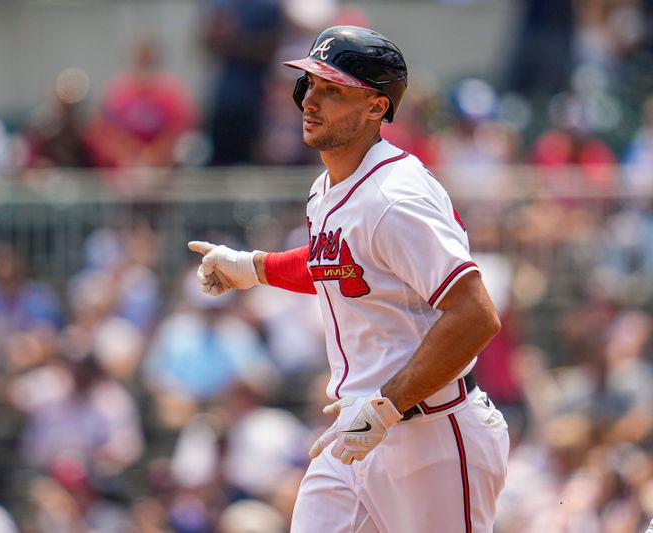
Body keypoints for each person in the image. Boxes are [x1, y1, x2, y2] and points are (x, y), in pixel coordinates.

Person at [188, 26, 509, 532]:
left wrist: (386, 408)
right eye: (309, 85)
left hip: (432, 435)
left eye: (332, 90)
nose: (310, 101)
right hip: (358, 430)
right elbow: (339, 263)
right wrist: (253, 268)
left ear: (377, 108)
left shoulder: (394, 198)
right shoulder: (330, 185)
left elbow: (475, 315)